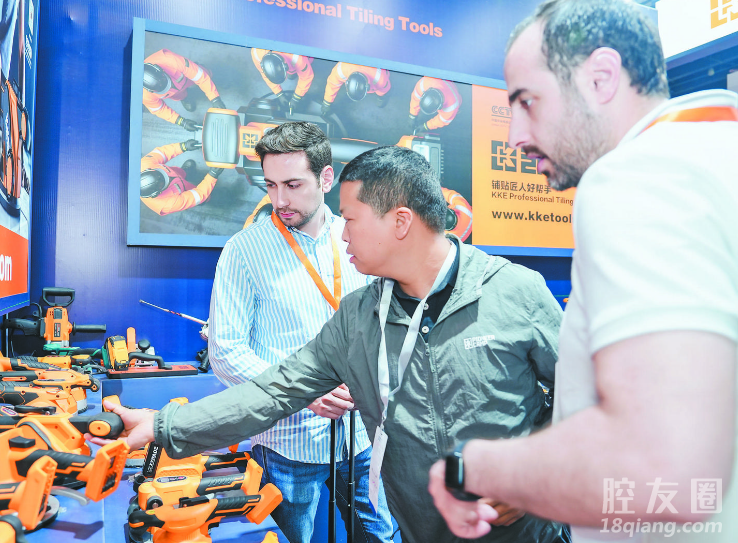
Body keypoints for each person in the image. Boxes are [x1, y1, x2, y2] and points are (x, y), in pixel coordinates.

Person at [90, 146, 566, 543]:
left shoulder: (515, 292)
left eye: (352, 219)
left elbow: (589, 401)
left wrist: (534, 471)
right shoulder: (359, 316)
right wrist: (163, 424)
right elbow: (274, 390)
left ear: (400, 222)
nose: (342, 232)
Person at [427, 1, 738, 541]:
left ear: (601, 78)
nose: (514, 135)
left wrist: (476, 467)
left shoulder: (635, 176)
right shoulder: (712, 158)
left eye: (527, 101)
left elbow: (667, 469)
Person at [206, 121, 393, 543]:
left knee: (380, 536)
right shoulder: (243, 251)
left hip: (363, 435)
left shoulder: (360, 239)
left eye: (292, 185)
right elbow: (225, 351)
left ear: (326, 178)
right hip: (285, 444)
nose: (279, 200)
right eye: (270, 185)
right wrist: (302, 392)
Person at [143, 48, 225, 130]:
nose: (170, 87)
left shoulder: (172, 61)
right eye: (165, 89)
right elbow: (159, 109)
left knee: (204, 73)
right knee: (178, 95)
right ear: (150, 90)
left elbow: (200, 77)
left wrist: (215, 98)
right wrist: (181, 122)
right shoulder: (144, 95)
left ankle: (211, 75)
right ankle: (184, 97)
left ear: (161, 70)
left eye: (167, 83)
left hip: (186, 77)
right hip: (176, 93)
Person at [140, 140, 222, 216]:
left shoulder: (144, 164)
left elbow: (163, 153)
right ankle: (207, 199)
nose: (168, 176)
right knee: (203, 197)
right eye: (165, 181)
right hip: (184, 190)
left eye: (162, 173)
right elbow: (198, 195)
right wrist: (213, 175)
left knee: (178, 172)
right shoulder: (167, 205)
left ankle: (185, 172)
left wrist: (183, 146)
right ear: (157, 193)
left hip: (175, 174)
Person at [250, 49, 314, 115]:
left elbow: (306, 77)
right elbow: (265, 75)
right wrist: (279, 93)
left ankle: (293, 71)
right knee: (292, 74)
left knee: (299, 70)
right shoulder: (256, 54)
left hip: (304, 55)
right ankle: (292, 71)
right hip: (289, 61)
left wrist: (296, 98)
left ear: (285, 66)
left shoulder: (298, 58)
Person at [320, 63, 391, 117]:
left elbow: (384, 89)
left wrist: (381, 97)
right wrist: (327, 102)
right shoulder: (340, 70)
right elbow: (333, 84)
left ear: (367, 87)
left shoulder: (380, 79)